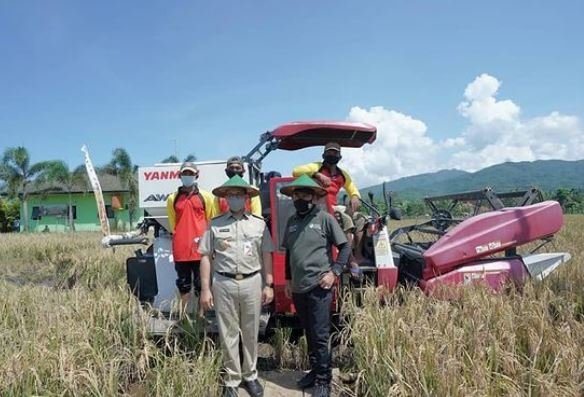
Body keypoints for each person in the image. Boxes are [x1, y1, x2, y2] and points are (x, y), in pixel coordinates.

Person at [199, 175, 274, 397]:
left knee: (251, 332)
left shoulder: (259, 224)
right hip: (223, 282)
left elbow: (266, 254)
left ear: (246, 198)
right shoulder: (215, 224)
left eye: (239, 195)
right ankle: (232, 379)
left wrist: (268, 284)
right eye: (231, 195)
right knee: (228, 332)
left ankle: (250, 376)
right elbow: (205, 256)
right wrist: (205, 288)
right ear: (225, 199)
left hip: (252, 281)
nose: (235, 199)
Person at [281, 175, 351, 397]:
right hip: (299, 288)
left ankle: (324, 380)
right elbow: (289, 254)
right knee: (309, 333)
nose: (300, 198)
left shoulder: (324, 218)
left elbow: (345, 247)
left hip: (319, 286)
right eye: (297, 194)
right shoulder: (291, 222)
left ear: (314, 196)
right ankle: (314, 372)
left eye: (305, 194)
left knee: (320, 335)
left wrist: (334, 272)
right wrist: (288, 280)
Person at [166, 161, 216, 314]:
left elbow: (211, 221)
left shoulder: (206, 196)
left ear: (197, 175)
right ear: (180, 175)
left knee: (202, 284)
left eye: (190, 173)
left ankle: (201, 318)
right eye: (185, 173)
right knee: (183, 285)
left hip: (201, 249)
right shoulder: (172, 198)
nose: (187, 176)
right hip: (181, 249)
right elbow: (173, 224)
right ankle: (185, 317)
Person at [292, 142, 361, 213]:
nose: (332, 155)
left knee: (358, 218)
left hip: (333, 208)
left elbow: (351, 186)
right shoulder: (316, 167)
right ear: (323, 156)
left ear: (340, 157)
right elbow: (296, 171)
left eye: (335, 153)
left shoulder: (342, 174)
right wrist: (317, 174)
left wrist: (354, 196)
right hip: (317, 207)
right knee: (345, 219)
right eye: (329, 153)